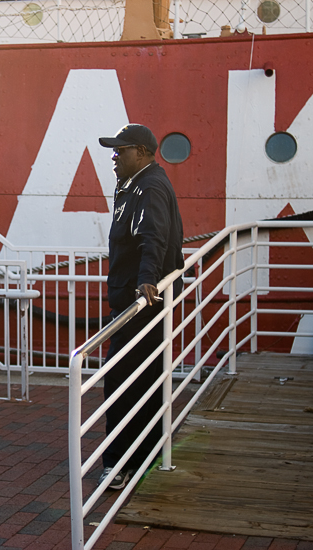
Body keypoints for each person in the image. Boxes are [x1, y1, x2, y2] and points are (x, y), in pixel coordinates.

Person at [97, 123, 184, 490]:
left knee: (121, 379)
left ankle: (118, 463)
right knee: (143, 380)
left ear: (144, 152)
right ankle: (145, 455)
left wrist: (147, 279)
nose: (114, 156)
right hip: (133, 301)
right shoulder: (131, 184)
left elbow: (155, 237)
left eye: (122, 149)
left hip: (142, 303)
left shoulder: (150, 186)